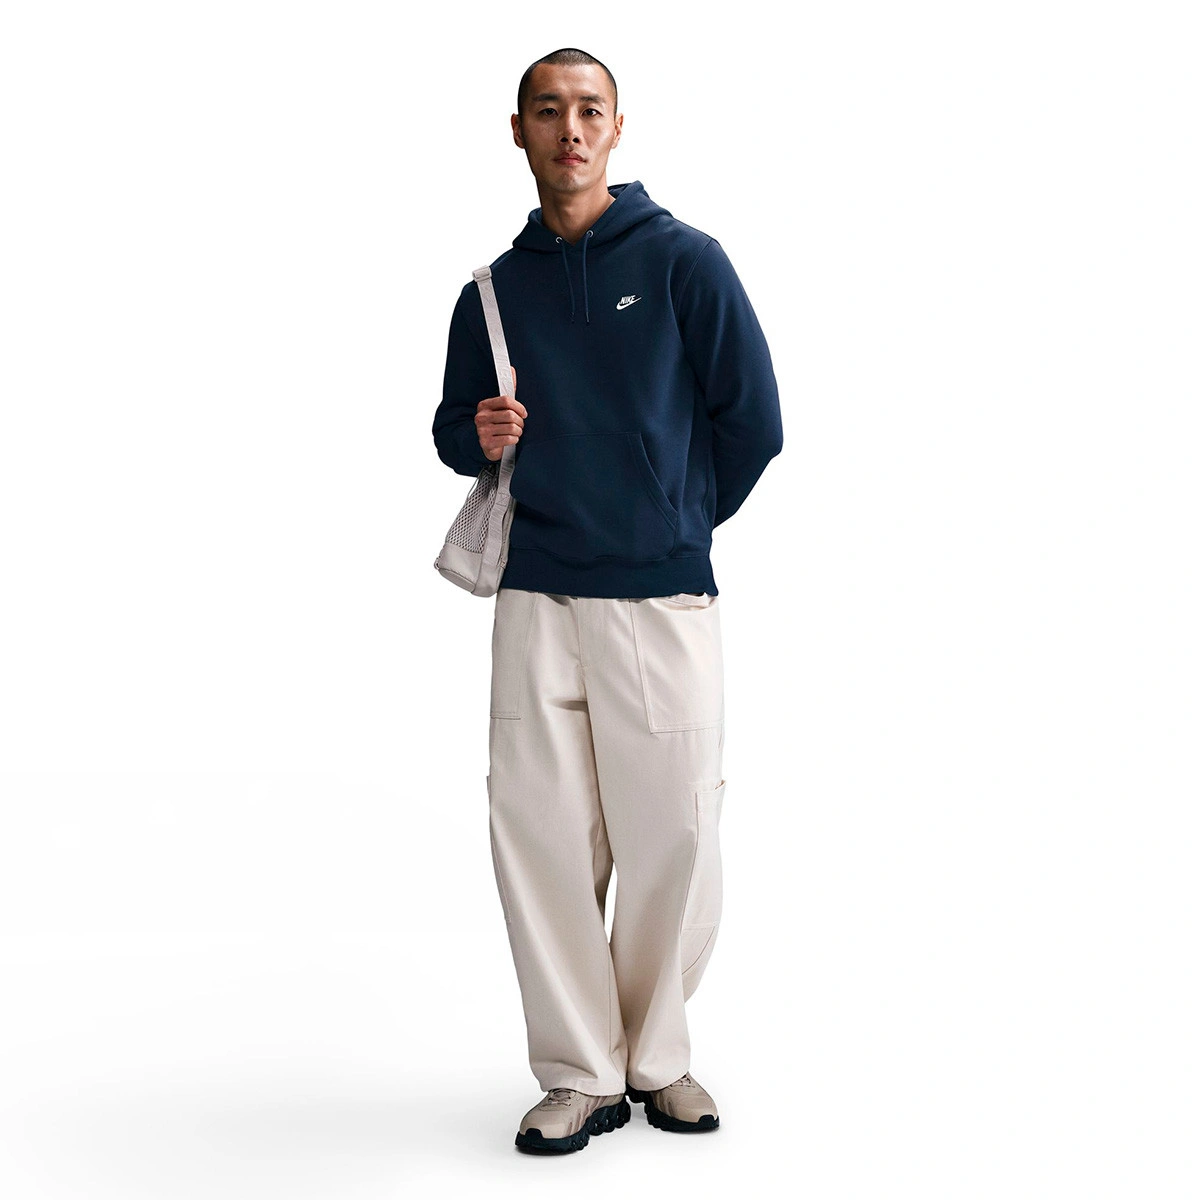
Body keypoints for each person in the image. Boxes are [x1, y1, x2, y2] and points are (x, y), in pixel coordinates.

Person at [431, 47, 783, 1155]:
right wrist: (476, 434)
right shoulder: (493, 289)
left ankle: (658, 1058)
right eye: (549, 111)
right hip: (534, 597)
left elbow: (754, 420)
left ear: (617, 128)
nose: (570, 129)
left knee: (676, 832)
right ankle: (580, 1072)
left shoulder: (685, 261)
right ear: (519, 131)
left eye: (589, 110)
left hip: (658, 595)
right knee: (541, 839)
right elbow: (451, 431)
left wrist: (673, 522)